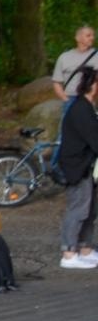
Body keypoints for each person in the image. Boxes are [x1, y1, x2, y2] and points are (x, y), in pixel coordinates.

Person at [55, 65, 98, 269]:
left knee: (89, 209)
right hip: (75, 167)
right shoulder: (81, 109)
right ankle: (69, 252)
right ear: (94, 86)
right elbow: (94, 139)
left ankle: (85, 248)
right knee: (78, 208)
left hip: (85, 166)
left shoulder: (87, 108)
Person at [51, 25, 95, 101]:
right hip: (70, 99)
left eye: (93, 35)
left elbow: (96, 80)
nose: (92, 38)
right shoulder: (64, 57)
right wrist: (65, 98)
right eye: (88, 35)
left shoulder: (96, 56)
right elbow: (57, 81)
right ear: (78, 38)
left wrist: (91, 96)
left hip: (89, 99)